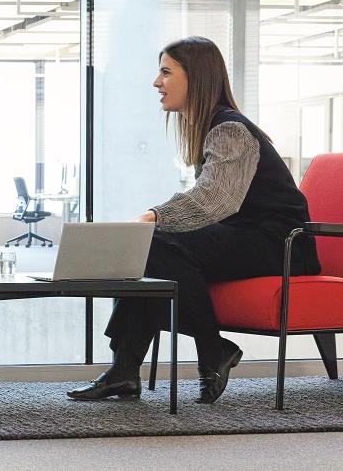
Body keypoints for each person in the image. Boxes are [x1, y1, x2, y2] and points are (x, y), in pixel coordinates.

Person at [67, 36, 320, 404]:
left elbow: (214, 201)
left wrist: (154, 217)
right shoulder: (212, 129)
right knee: (152, 251)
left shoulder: (230, 129)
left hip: (281, 244)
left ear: (196, 78)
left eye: (166, 72)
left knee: (153, 245)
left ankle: (193, 352)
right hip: (246, 237)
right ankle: (139, 367)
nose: (157, 82)